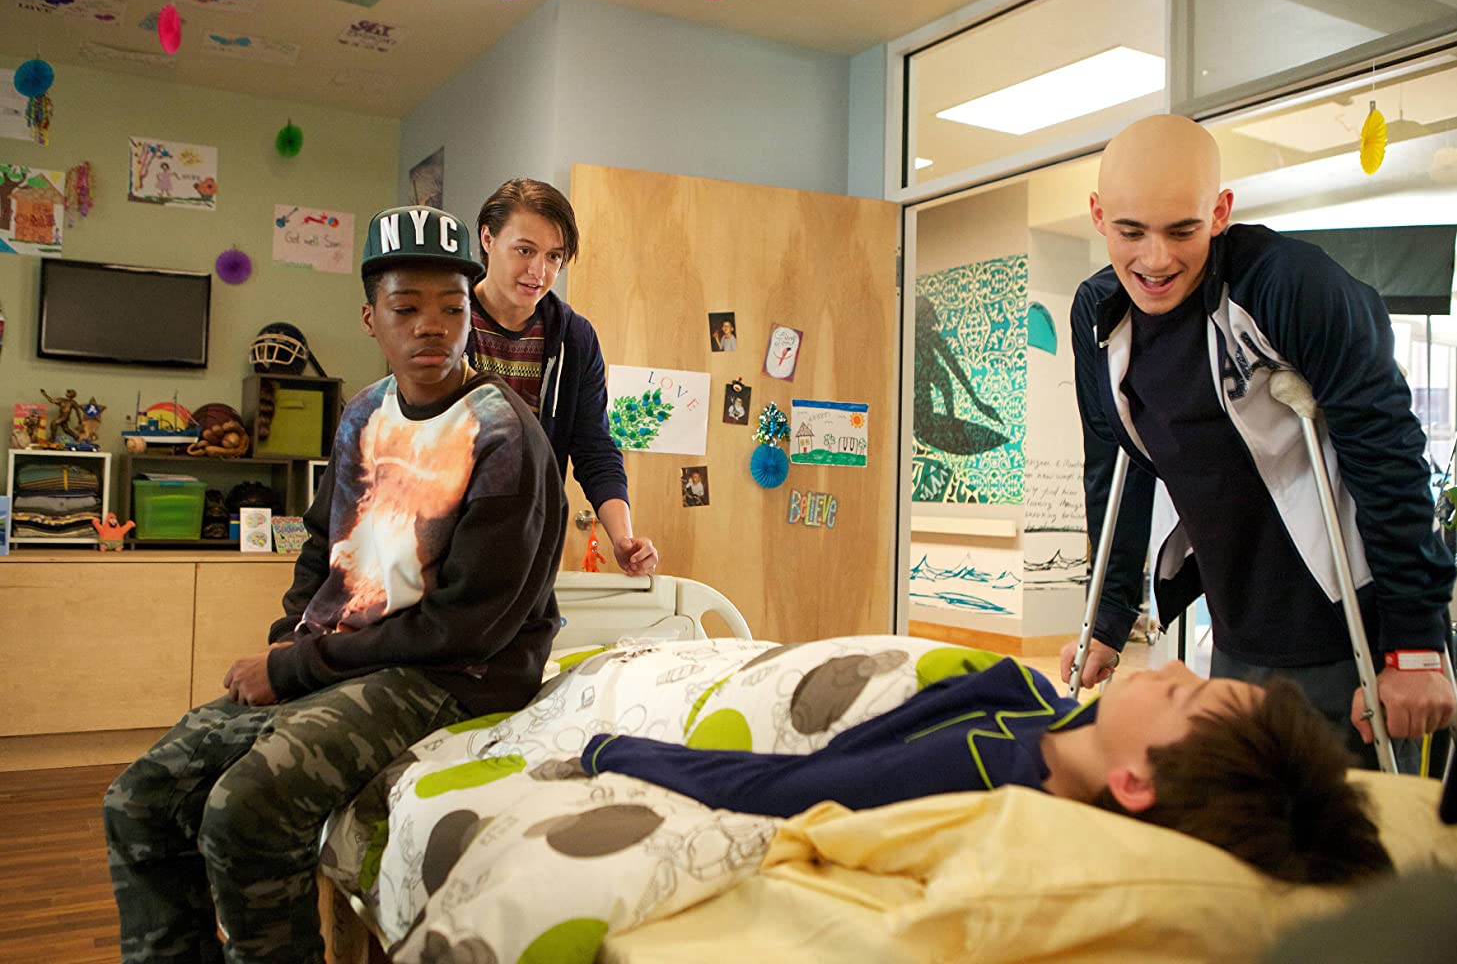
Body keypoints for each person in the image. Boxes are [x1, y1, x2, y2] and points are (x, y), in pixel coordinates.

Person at [103, 205, 567, 964]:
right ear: (370, 318)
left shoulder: (504, 434)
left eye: (451, 308)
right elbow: (323, 549)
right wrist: (292, 642)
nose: (431, 327)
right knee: (138, 800)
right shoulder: (363, 414)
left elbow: (466, 629)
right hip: (354, 654)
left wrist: (296, 669)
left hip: (452, 674)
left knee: (246, 809)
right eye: (406, 308)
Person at [1063, 114, 1456, 768]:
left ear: (1219, 212)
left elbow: (1387, 454)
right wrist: (1106, 617)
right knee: (1244, 812)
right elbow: (1113, 462)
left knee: (1353, 823)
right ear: (1099, 216)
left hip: (1352, 628)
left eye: (1181, 230)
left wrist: (1414, 648)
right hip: (1235, 625)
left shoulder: (1288, 284)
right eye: (1131, 232)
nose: (1155, 260)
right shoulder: (1101, 314)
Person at [583, 655, 1392, 885]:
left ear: (1135, 784)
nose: (1171, 668)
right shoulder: (1076, 725)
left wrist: (610, 750)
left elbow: (776, 787)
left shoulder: (970, 776)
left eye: (1181, 694)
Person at [468, 178, 657, 575]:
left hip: (530, 544)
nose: (538, 271)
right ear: (487, 238)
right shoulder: (449, 320)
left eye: (554, 256)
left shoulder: (574, 337)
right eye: (525, 250)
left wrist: (622, 539)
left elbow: (594, 449)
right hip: (445, 538)